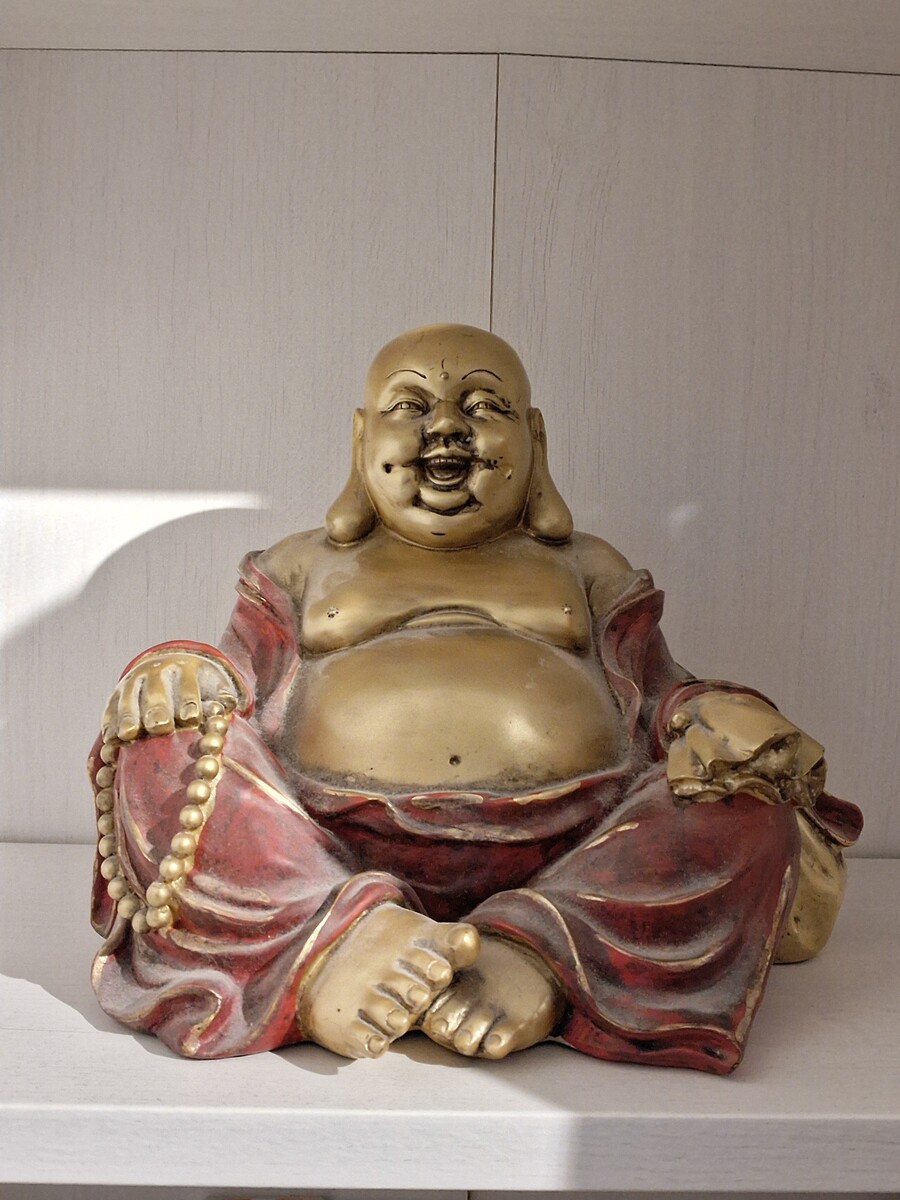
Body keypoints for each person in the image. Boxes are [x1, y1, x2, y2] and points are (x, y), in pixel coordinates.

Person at [89, 324, 861, 1071]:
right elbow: (237, 676)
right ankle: (332, 941)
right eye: (410, 405)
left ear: (535, 441)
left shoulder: (584, 566)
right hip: (320, 838)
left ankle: (537, 949)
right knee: (158, 747)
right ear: (361, 440)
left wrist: (709, 713)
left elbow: (660, 694)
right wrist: (179, 670)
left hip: (575, 840)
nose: (447, 428)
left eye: (484, 406)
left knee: (743, 796)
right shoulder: (303, 565)